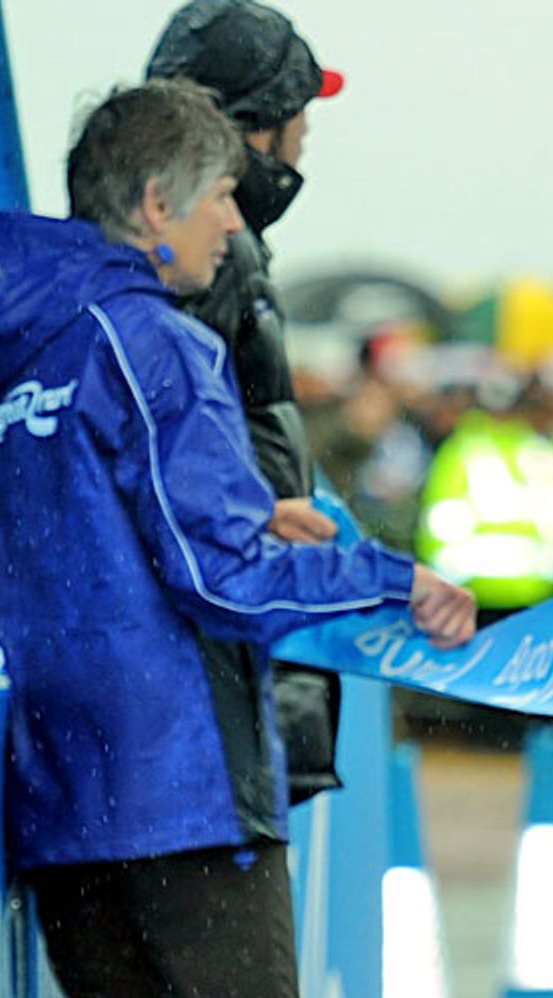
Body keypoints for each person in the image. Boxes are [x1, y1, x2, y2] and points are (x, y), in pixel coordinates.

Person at [0, 79, 476, 998]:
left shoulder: (8, 361)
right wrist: (391, 578)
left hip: (62, 789)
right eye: (222, 199)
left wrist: (246, 510)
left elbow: (85, 545)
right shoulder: (149, 338)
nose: (234, 224)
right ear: (156, 205)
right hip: (183, 787)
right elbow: (223, 579)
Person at [147, 0, 352, 802]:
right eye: (300, 111)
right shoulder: (212, 257)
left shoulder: (205, 244)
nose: (307, 135)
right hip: (221, 671)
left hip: (226, 653)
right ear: (259, 125)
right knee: (242, 924)